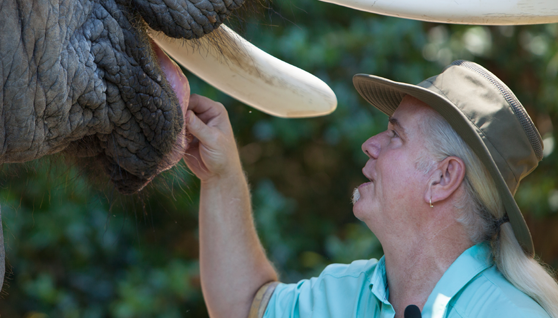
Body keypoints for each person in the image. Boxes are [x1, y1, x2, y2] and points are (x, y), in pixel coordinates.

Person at [183, 60, 558, 318]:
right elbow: (245, 306)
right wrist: (220, 175)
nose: (370, 144)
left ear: (443, 179)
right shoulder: (350, 291)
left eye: (395, 135)